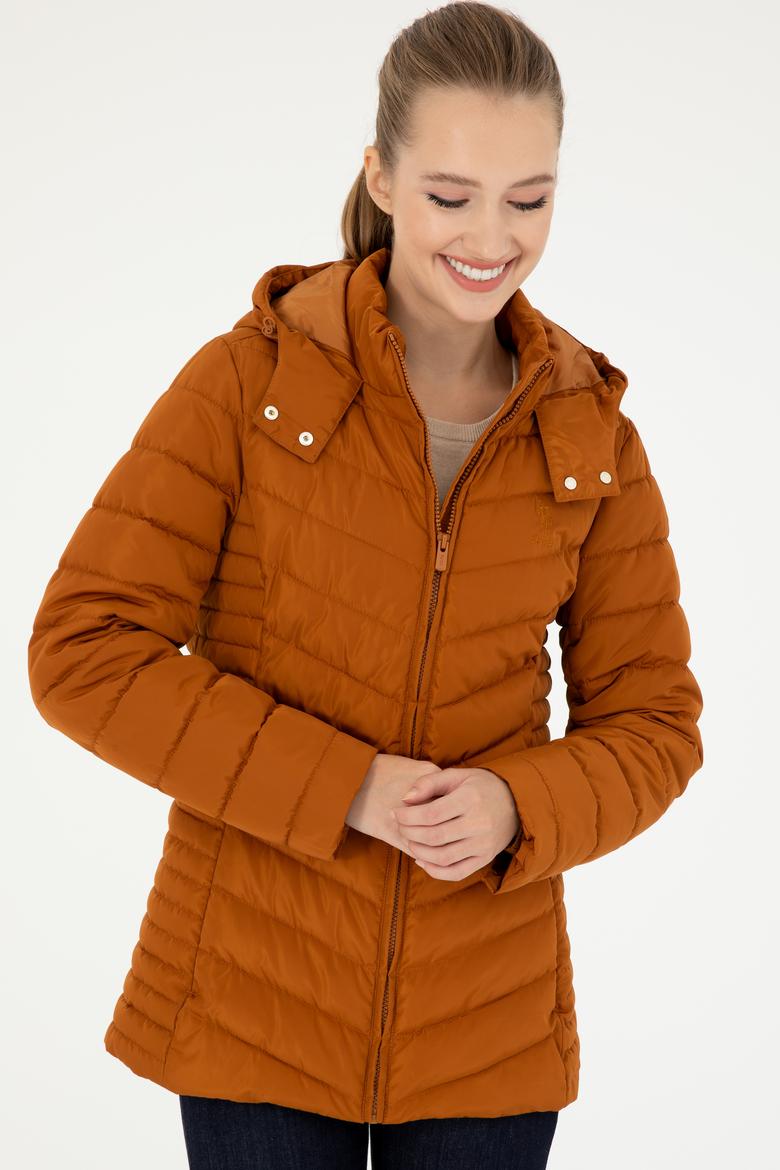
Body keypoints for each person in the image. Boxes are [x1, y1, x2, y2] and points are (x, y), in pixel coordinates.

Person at [27, 3, 704, 1168]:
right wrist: (346, 788)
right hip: (252, 997)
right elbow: (85, 648)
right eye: (450, 194)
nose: (491, 236)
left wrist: (519, 806)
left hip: (486, 1024)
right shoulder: (249, 383)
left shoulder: (589, 432)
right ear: (381, 178)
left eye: (529, 199)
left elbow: (656, 722)